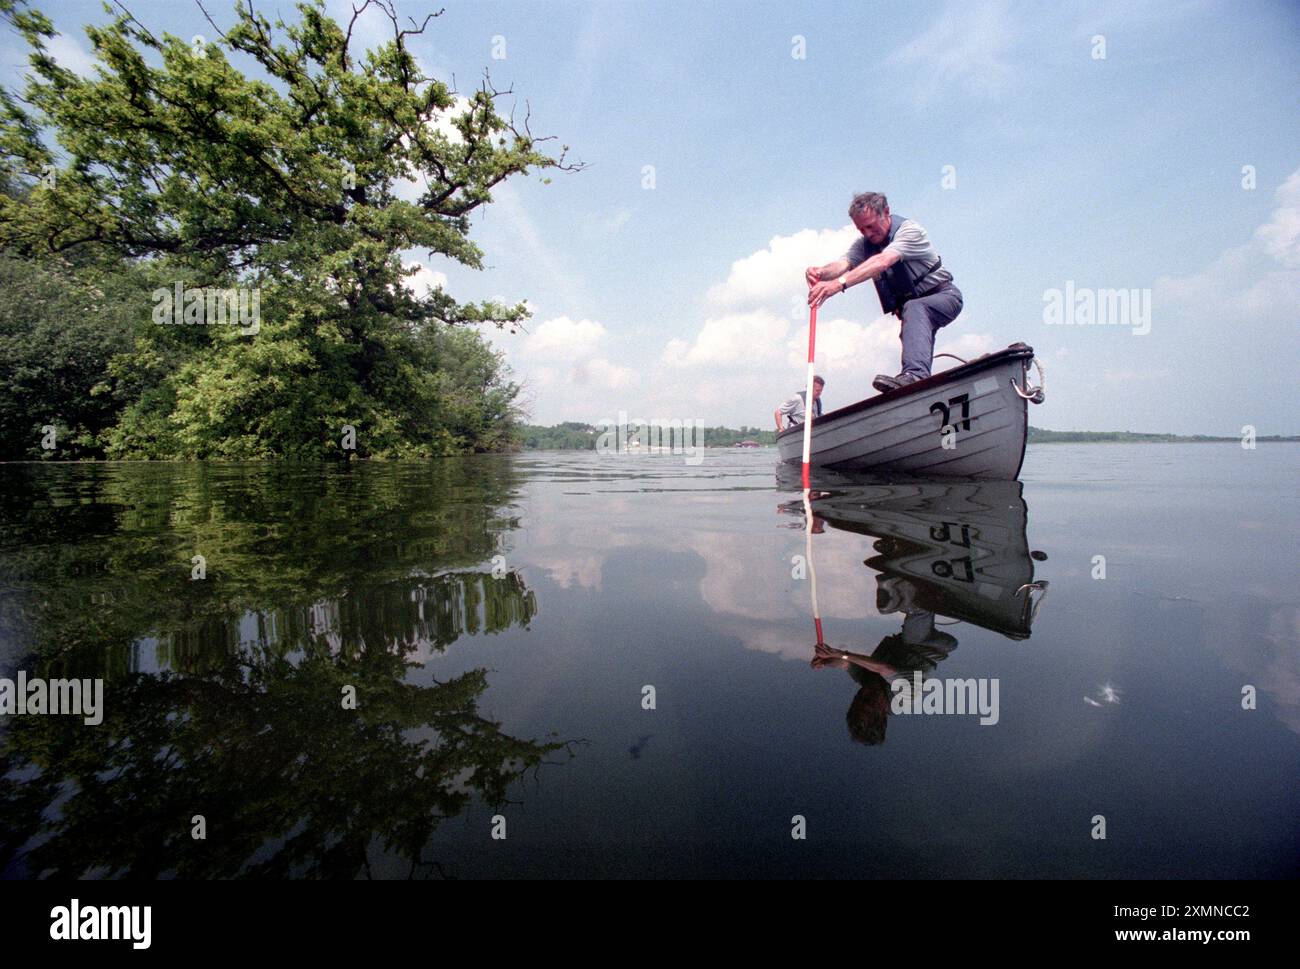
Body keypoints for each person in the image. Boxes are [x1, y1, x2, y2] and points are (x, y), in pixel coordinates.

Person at [805, 192, 963, 394]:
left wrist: (839, 284)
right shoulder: (864, 245)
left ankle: (914, 376)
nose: (868, 233)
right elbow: (843, 264)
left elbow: (883, 261)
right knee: (911, 326)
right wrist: (821, 272)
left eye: (870, 226)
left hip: (945, 296)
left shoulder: (910, 232)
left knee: (914, 308)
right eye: (861, 229)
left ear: (886, 212)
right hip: (915, 309)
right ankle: (919, 390)